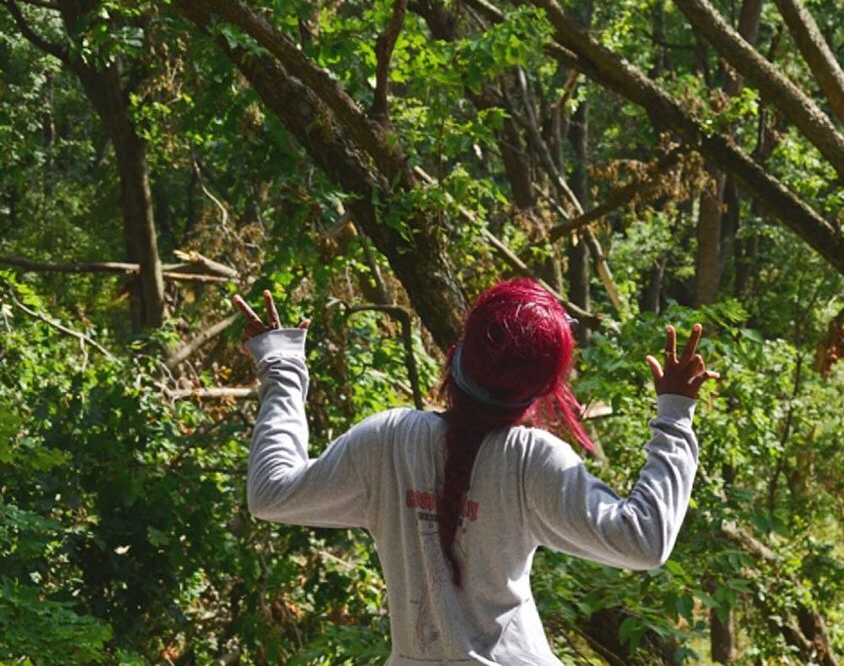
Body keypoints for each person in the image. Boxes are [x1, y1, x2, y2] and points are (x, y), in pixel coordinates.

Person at [232, 279, 717, 665]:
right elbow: (645, 539)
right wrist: (674, 415)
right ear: (544, 388)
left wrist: (282, 366)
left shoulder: (389, 440)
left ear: (458, 354)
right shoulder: (530, 461)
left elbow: (272, 493)